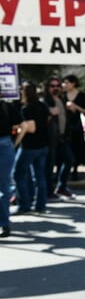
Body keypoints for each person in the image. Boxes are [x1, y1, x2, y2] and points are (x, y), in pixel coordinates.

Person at [12, 81, 50, 215]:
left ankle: (24, 205)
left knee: (18, 175)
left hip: (29, 146)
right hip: (43, 145)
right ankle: (40, 205)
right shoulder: (42, 105)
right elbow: (46, 121)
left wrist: (17, 135)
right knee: (40, 177)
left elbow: (31, 128)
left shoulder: (26, 109)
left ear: (24, 92)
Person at [42, 76, 70, 202]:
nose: (55, 88)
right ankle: (48, 191)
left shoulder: (61, 99)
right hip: (50, 138)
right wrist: (48, 112)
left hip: (61, 137)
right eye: (52, 86)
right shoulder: (45, 102)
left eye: (57, 86)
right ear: (47, 88)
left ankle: (61, 187)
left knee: (69, 159)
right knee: (49, 166)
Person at [61, 74, 85, 188]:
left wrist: (75, 107)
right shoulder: (62, 95)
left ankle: (75, 171)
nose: (65, 85)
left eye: (67, 82)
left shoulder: (82, 95)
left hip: (76, 125)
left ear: (73, 83)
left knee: (76, 149)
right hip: (64, 125)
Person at [0, 87, 21, 237]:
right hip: (6, 144)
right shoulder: (7, 106)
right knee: (4, 187)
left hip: (5, 145)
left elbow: (22, 125)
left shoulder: (7, 107)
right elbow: (22, 126)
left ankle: (4, 224)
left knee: (4, 187)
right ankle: (4, 224)